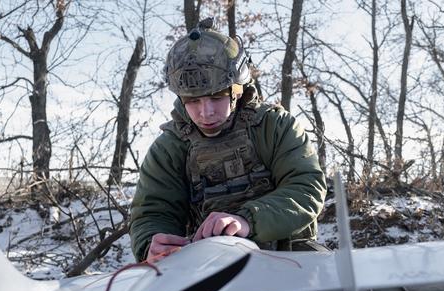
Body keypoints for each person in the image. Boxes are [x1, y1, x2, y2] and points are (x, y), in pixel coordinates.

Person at [130, 18, 327, 262]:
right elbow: (153, 212)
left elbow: (306, 187)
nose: (205, 112)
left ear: (237, 90)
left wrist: (247, 220)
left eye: (216, 97)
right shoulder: (169, 148)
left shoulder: (275, 127)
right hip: (208, 266)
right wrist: (152, 243)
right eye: (192, 101)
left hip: (289, 258)